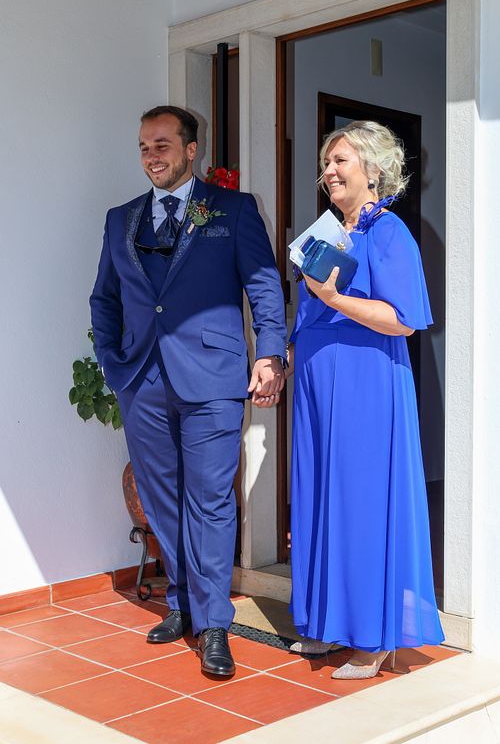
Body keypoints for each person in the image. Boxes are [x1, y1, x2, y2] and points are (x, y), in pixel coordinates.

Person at [90, 106, 286, 677]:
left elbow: (263, 285)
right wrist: (113, 363)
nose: (152, 156)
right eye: (144, 147)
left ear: (191, 150)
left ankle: (215, 622)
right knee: (162, 500)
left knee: (211, 500)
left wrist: (270, 352)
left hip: (213, 379)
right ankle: (181, 602)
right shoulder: (120, 219)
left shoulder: (232, 209)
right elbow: (104, 298)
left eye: (162, 145)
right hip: (142, 381)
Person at [287, 120, 444, 679]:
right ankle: (330, 622)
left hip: (365, 385)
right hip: (315, 384)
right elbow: (310, 308)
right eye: (326, 163)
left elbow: (403, 319)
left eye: (340, 161)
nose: (328, 171)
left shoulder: (391, 232)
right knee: (320, 498)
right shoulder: (328, 231)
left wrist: (335, 299)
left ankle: (374, 637)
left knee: (360, 502)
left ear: (372, 170)